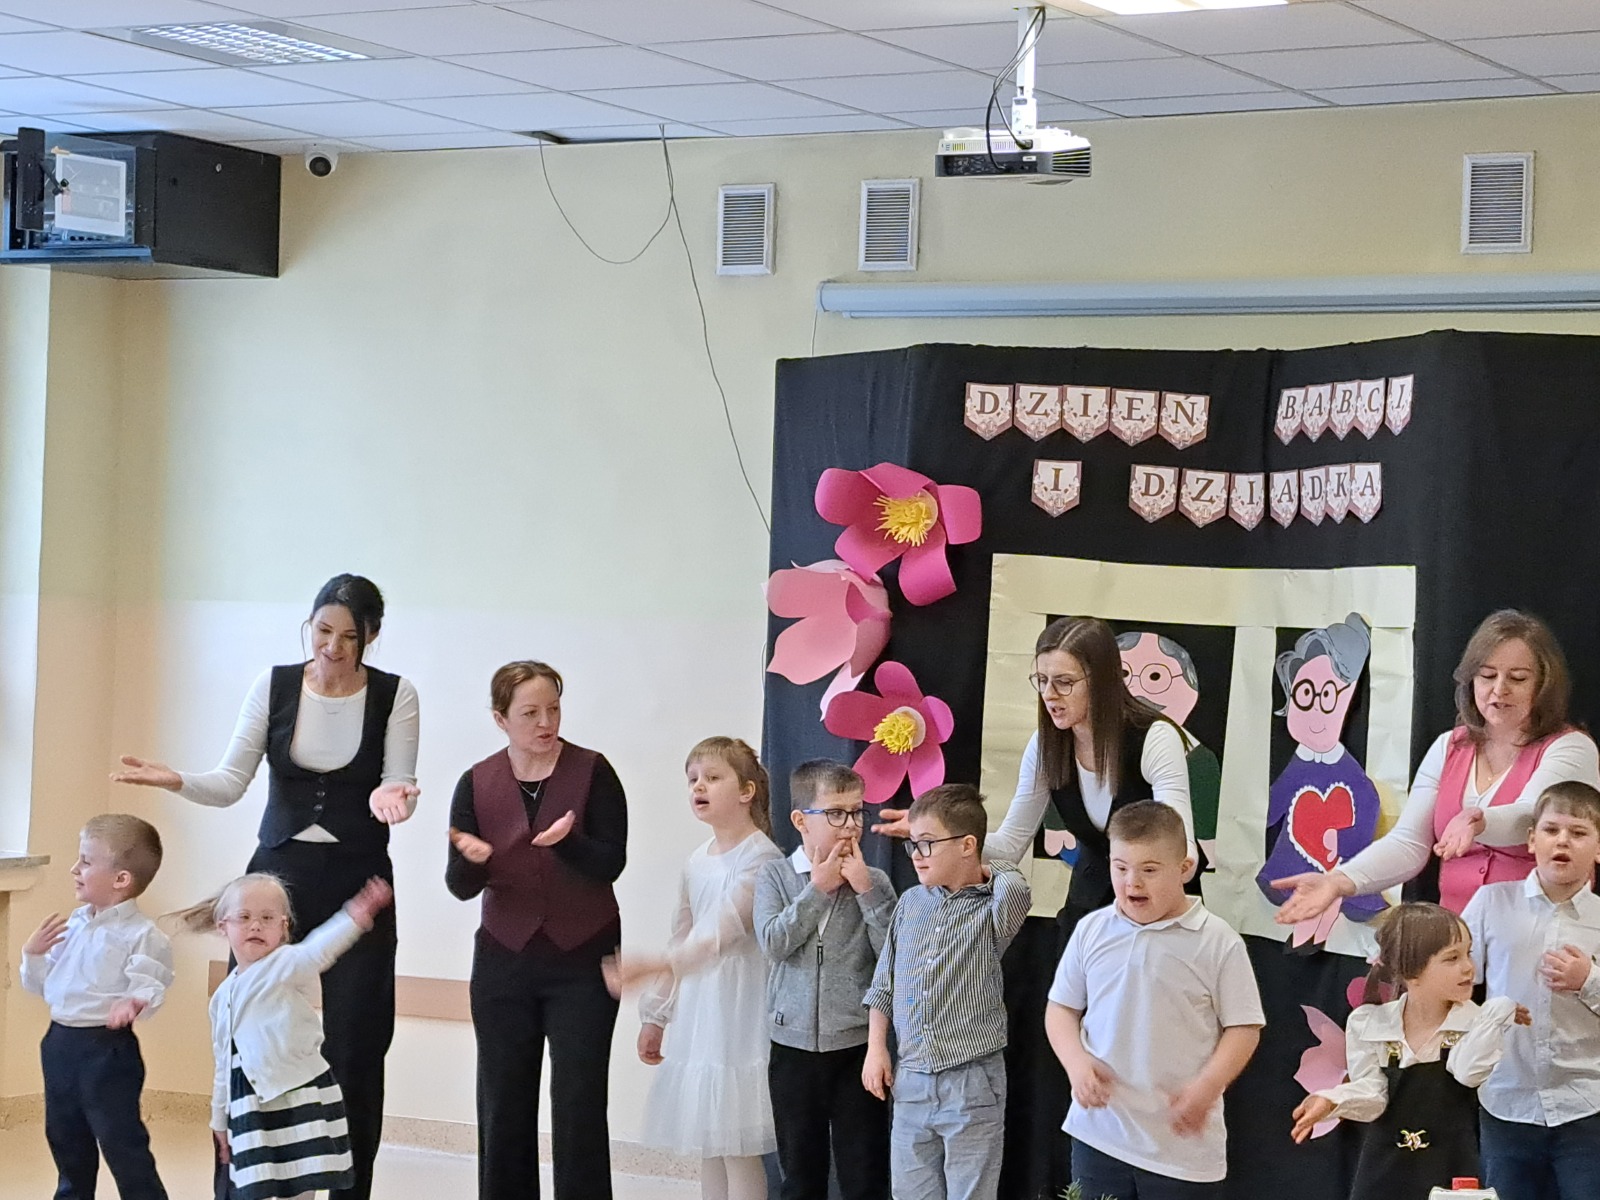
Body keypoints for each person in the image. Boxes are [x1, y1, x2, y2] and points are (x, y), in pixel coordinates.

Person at [113, 573, 419, 1200]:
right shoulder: (274, 686)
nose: (332, 647)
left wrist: (396, 797)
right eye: (322, 631)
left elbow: (398, 781)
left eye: (349, 636)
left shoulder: (396, 695)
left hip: (360, 881)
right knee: (246, 1027)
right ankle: (237, 1186)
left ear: (371, 636)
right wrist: (177, 780)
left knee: (358, 1048)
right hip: (275, 880)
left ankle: (347, 1189)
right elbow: (230, 782)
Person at [1273, 609, 1599, 922]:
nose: (1499, 689)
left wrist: (1478, 821)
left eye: (1518, 678)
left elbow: (1531, 817)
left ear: (1544, 685)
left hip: (1539, 938)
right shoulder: (1449, 746)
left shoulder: (1571, 747)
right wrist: (1339, 881)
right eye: (1487, 676)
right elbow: (1408, 843)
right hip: (1456, 939)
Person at [446, 661, 628, 1200]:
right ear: (500, 719)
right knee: (503, 1105)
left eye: (553, 709)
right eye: (530, 713)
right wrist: (473, 861)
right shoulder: (475, 782)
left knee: (579, 1105)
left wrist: (568, 842)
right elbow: (459, 886)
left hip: (584, 960)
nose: (546, 722)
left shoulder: (594, 771)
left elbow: (611, 863)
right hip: (504, 961)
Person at [1047, 801, 1263, 1200]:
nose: (1133, 883)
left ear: (1184, 868)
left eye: (1149, 870)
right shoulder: (1092, 929)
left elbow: (1244, 1027)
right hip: (1098, 1137)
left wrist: (1206, 1087)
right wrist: (1076, 1064)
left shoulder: (1218, 941)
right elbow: (1061, 1009)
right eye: (1120, 868)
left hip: (1181, 1151)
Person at [608, 737, 784, 1200]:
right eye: (692, 780)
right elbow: (681, 934)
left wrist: (651, 965)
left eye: (712, 777)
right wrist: (655, 1015)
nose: (698, 787)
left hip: (740, 1013)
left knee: (737, 1148)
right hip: (701, 1014)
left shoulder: (763, 859)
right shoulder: (695, 861)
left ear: (746, 791)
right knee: (710, 1144)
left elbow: (718, 934)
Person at [175, 873, 393, 1200]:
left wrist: (354, 917)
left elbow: (318, 950)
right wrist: (219, 1119)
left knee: (300, 1182)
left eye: (267, 918)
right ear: (224, 927)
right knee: (256, 1184)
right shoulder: (222, 998)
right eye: (244, 917)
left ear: (283, 927)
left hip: (298, 1098)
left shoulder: (285, 965)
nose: (255, 926)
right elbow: (223, 1063)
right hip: (251, 1105)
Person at [861, 784, 1032, 1200]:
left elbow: (1016, 884)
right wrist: (876, 1047)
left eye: (928, 843)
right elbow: (884, 983)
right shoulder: (910, 903)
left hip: (971, 1080)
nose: (916, 855)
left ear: (968, 845)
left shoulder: (993, 907)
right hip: (912, 1077)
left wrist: (986, 861)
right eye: (913, 844)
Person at [1291, 903, 1524, 1200]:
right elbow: (1374, 1095)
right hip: (1385, 1173)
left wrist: (1499, 1009)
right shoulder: (1369, 1023)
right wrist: (1331, 1100)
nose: (1468, 967)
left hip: (1455, 1171)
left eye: (1468, 953)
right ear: (1411, 973)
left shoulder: (1477, 1024)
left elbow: (1467, 1073)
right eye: (1452, 958)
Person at [754, 760, 896, 1200]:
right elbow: (774, 943)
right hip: (792, 1047)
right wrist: (816, 889)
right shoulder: (775, 876)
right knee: (800, 1173)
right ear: (801, 821)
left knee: (864, 1172)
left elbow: (893, 958)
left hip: (856, 1048)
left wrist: (866, 891)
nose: (851, 825)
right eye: (836, 813)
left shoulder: (875, 881)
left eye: (857, 812)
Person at [20, 814, 175, 1200]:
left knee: (121, 1141)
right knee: (64, 1135)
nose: (75, 869)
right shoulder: (74, 924)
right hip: (59, 1043)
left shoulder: (142, 934)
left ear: (121, 879)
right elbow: (43, 986)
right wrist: (33, 955)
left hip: (106, 1051)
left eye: (86, 861)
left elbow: (152, 982)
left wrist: (134, 1001)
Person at [1460, 781, 1600, 1200]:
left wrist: (1589, 980)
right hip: (1506, 1102)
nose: (1563, 841)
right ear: (1531, 840)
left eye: (1578, 832)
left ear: (1598, 848)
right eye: (1551, 830)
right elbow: (1455, 984)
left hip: (1586, 1106)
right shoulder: (1491, 903)